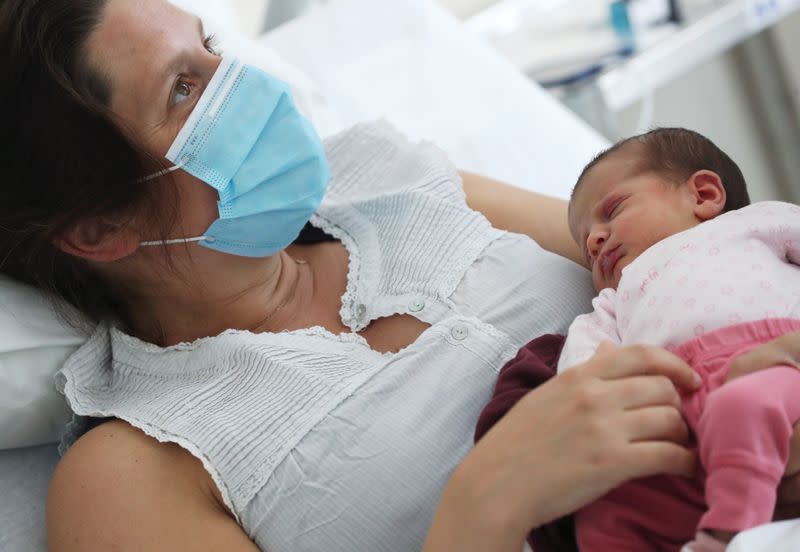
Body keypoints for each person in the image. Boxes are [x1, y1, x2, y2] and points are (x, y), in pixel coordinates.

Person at [0, 2, 798, 550]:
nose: (244, 87)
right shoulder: (132, 470)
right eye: (184, 91)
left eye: (211, 49)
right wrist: (485, 504)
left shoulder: (395, 180)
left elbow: (682, 261)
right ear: (97, 226)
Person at [476, 128, 800, 552]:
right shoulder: (616, 299)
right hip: (679, 417)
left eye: (611, 210)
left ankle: (731, 531)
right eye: (587, 245)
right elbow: (587, 377)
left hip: (770, 360)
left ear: (703, 195)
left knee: (745, 406)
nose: (594, 240)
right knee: (608, 511)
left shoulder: (753, 225)